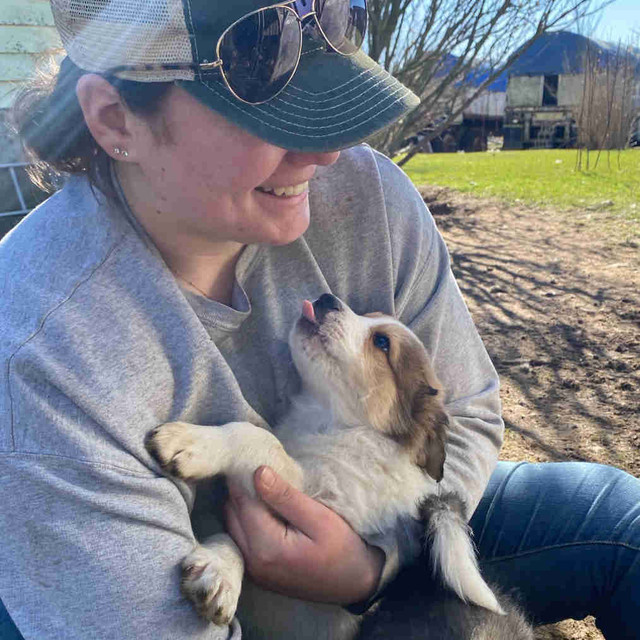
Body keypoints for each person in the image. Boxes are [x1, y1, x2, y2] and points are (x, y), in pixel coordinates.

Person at [0, 1, 638, 639]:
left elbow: (465, 411)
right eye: (271, 109)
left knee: (623, 526)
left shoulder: (370, 196)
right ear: (116, 119)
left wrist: (371, 568)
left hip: (389, 514)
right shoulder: (44, 345)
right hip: (200, 579)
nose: (332, 152)